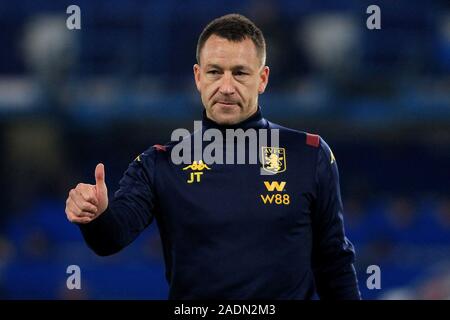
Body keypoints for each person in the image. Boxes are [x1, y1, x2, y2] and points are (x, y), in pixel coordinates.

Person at [65, 13, 361, 299]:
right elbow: (110, 239)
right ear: (198, 76)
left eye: (240, 73)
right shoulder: (160, 164)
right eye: (215, 72)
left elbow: (334, 262)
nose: (227, 87)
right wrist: (96, 216)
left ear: (262, 78)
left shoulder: (309, 155)